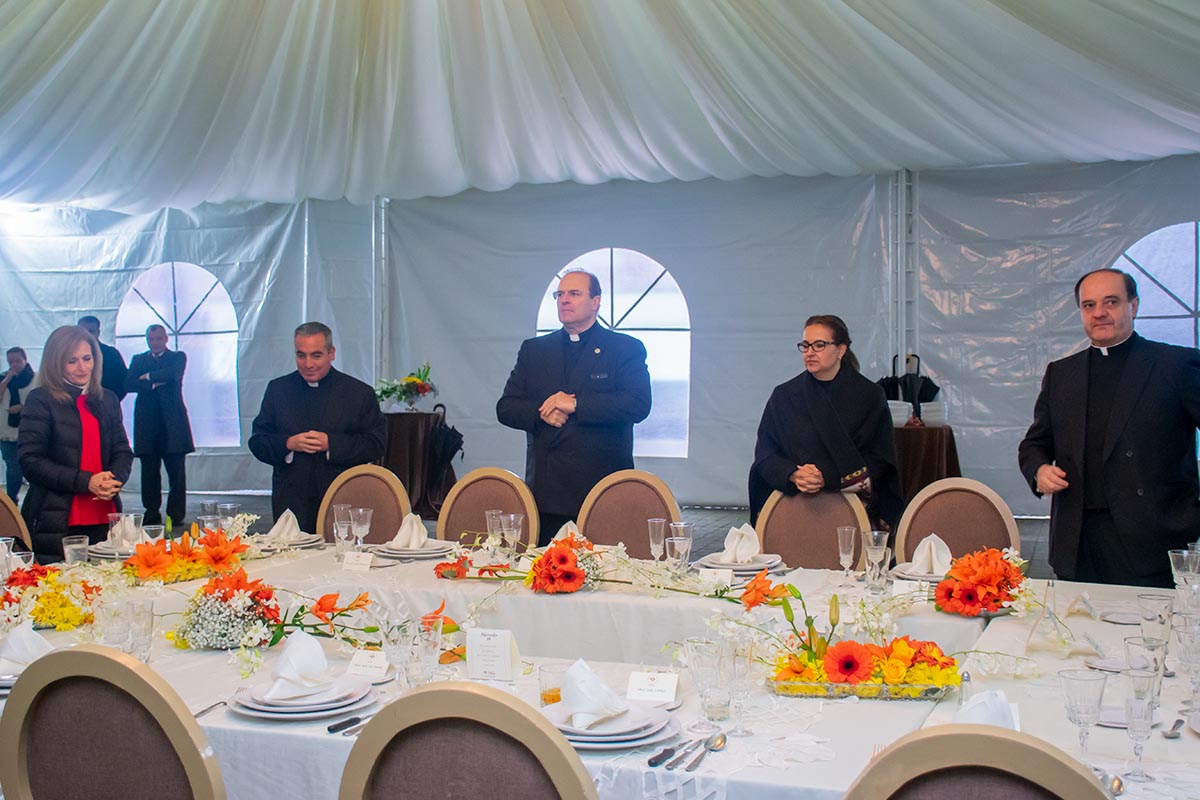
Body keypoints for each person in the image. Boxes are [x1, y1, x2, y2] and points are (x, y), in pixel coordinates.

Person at [1019, 268, 1200, 587]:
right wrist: (1040, 469)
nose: (1099, 313)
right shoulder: (1062, 374)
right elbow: (1034, 444)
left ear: (1134, 305)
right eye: (1089, 305)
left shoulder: (1176, 366)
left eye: (1111, 302)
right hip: (1076, 542)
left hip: (1153, 537)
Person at [497, 270, 652, 544]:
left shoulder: (624, 348)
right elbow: (506, 407)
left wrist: (576, 405)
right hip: (548, 492)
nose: (564, 300)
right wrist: (541, 413)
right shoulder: (535, 350)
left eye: (574, 293)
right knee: (547, 575)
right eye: (560, 294)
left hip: (602, 489)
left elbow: (638, 404)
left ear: (596, 302)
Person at [749, 314, 902, 531]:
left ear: (841, 350)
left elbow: (881, 457)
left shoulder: (869, 395)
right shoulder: (784, 395)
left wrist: (826, 477)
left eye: (819, 345)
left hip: (853, 509)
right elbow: (765, 454)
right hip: (793, 504)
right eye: (805, 345)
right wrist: (793, 473)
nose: (810, 352)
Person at [249, 322, 386, 534]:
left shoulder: (359, 393)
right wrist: (288, 444)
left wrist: (331, 444)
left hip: (341, 497)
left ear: (332, 353)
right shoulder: (278, 390)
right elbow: (258, 441)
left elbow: (376, 443)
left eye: (316, 355)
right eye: (301, 355)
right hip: (292, 501)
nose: (308, 364)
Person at [19, 326, 132, 561]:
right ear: (56, 363)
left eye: (87, 358)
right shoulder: (40, 400)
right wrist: (86, 481)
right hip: (57, 518)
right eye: (72, 361)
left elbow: (122, 450)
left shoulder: (108, 399)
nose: (83, 367)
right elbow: (30, 461)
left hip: (105, 514)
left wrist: (115, 478)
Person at [125, 324, 194, 528]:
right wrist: (154, 383)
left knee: (176, 472)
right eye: (151, 338)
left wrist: (147, 377)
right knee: (149, 472)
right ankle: (151, 511)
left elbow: (173, 374)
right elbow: (128, 384)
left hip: (173, 425)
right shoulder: (138, 359)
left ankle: (176, 513)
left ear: (165, 339)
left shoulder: (178, 357)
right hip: (147, 425)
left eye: (158, 338)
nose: (154, 342)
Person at [1, 347, 35, 504]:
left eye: (17, 361)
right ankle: (11, 502)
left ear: (25, 360)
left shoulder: (35, 379)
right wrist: (7, 380)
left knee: (30, 466)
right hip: (6, 431)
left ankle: (33, 500)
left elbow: (39, 402)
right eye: (10, 362)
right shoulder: (3, 378)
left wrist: (22, 407)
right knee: (13, 467)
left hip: (28, 431)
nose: (14, 365)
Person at [77, 315, 128, 401]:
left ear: (98, 332)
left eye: (91, 331)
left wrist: (110, 403)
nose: (87, 335)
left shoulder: (111, 354)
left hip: (105, 406)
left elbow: (123, 382)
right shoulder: (70, 355)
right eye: (83, 332)